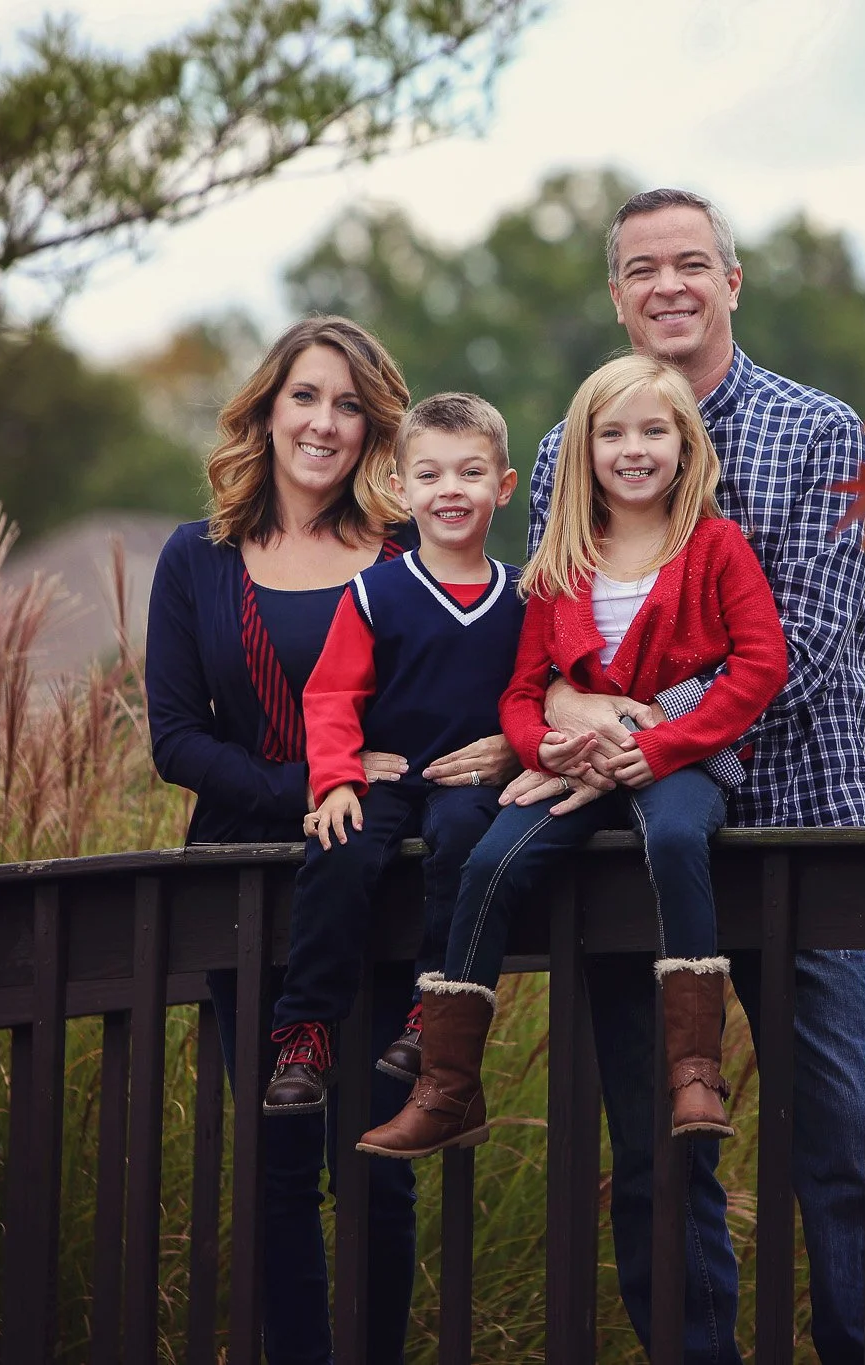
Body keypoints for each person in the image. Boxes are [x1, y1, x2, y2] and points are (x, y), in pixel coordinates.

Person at [504, 189, 865, 1363]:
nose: (668, 286)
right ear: (616, 297)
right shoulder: (564, 450)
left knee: (837, 1147)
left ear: (732, 283)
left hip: (805, 830)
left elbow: (811, 644)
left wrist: (626, 729)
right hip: (629, 844)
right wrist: (560, 718)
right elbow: (547, 646)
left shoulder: (818, 432)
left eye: (692, 264)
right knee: (654, 1154)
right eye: (642, 270)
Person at [145, 318, 515, 1364]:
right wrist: (313, 783)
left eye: (349, 404)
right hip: (244, 885)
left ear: (375, 431)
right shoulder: (199, 558)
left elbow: (500, 677)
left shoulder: (415, 551)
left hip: (390, 879)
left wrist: (499, 749)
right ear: (265, 410)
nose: (323, 422)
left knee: (380, 1164)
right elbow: (175, 737)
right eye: (304, 396)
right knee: (274, 1162)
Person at [357, 354, 787, 1161]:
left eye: (654, 430)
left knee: (677, 839)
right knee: (489, 861)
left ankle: (696, 1067)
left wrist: (658, 748)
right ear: (585, 452)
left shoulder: (716, 546)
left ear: (686, 446)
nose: (635, 448)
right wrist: (544, 745)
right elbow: (522, 693)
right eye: (612, 432)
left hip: (678, 767)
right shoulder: (564, 560)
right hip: (572, 771)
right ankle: (448, 1085)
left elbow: (760, 666)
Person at [260, 393, 525, 1116]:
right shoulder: (375, 593)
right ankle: (306, 1032)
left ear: (503, 487)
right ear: (400, 488)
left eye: (470, 473)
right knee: (339, 847)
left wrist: (521, 750)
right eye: (430, 475)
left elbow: (536, 694)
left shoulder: (523, 599)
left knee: (471, 839)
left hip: (469, 778)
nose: (449, 491)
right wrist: (336, 781)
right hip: (388, 775)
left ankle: (434, 1013)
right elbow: (331, 697)